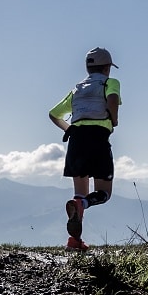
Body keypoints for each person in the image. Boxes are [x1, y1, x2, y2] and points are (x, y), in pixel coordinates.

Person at [48, 47, 122, 252]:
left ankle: (74, 241)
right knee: (103, 193)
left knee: (79, 195)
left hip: (76, 141)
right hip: (98, 139)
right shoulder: (110, 82)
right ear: (107, 68)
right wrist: (114, 119)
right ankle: (83, 206)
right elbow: (113, 99)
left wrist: (69, 128)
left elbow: (54, 114)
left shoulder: (77, 89)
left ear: (88, 68)